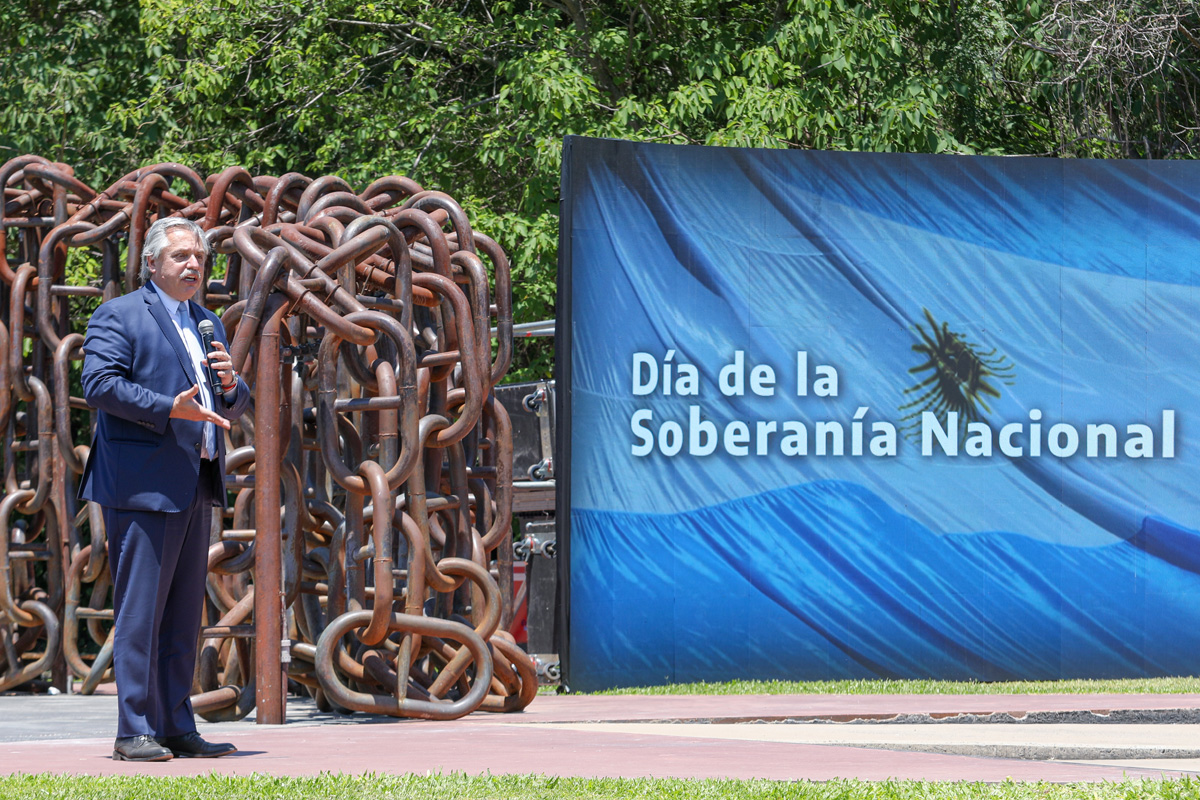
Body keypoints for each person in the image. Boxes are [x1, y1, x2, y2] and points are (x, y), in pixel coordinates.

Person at [79, 217, 250, 762]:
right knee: (140, 613)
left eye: (198, 256)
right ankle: (133, 730)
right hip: (141, 487)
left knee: (181, 616)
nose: (193, 265)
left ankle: (177, 725)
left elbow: (230, 400)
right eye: (180, 256)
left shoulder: (208, 323)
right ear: (152, 263)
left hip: (196, 480)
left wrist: (231, 385)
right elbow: (99, 384)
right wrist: (165, 408)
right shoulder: (121, 314)